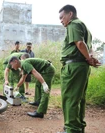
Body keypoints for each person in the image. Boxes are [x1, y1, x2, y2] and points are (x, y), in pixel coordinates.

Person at [58, 5, 101, 133]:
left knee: (70, 98)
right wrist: (90, 58)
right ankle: (78, 128)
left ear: (70, 14)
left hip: (73, 66)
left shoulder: (73, 24)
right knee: (79, 98)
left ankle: (71, 129)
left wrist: (88, 58)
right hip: (82, 67)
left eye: (62, 17)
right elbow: (89, 47)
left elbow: (80, 44)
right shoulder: (85, 28)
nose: (61, 21)